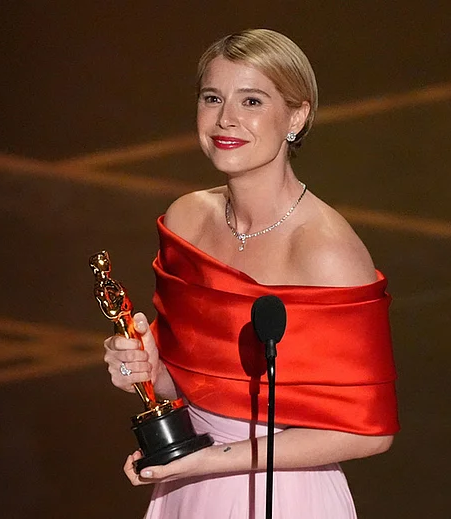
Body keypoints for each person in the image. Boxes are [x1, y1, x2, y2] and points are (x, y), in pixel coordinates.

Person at [103, 28, 399, 518]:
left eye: (253, 101)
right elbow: (192, 383)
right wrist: (147, 370)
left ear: (297, 117)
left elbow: (369, 431)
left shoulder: (326, 251)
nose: (226, 119)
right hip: (189, 487)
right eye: (212, 97)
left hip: (283, 495)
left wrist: (213, 460)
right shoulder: (186, 221)